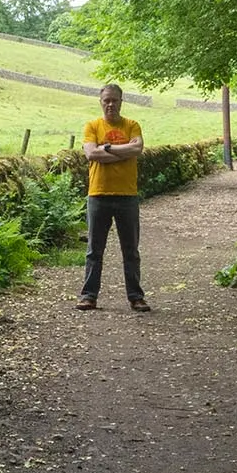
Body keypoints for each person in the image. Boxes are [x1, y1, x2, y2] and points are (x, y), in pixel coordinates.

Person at [77, 84, 148, 312]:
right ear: (101, 101)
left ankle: (136, 297)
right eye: (106, 100)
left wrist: (106, 149)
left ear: (121, 101)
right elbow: (91, 153)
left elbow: (138, 149)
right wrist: (122, 151)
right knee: (94, 250)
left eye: (114, 100)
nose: (110, 104)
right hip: (98, 195)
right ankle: (88, 296)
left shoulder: (132, 125)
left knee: (131, 250)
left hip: (127, 196)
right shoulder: (92, 126)